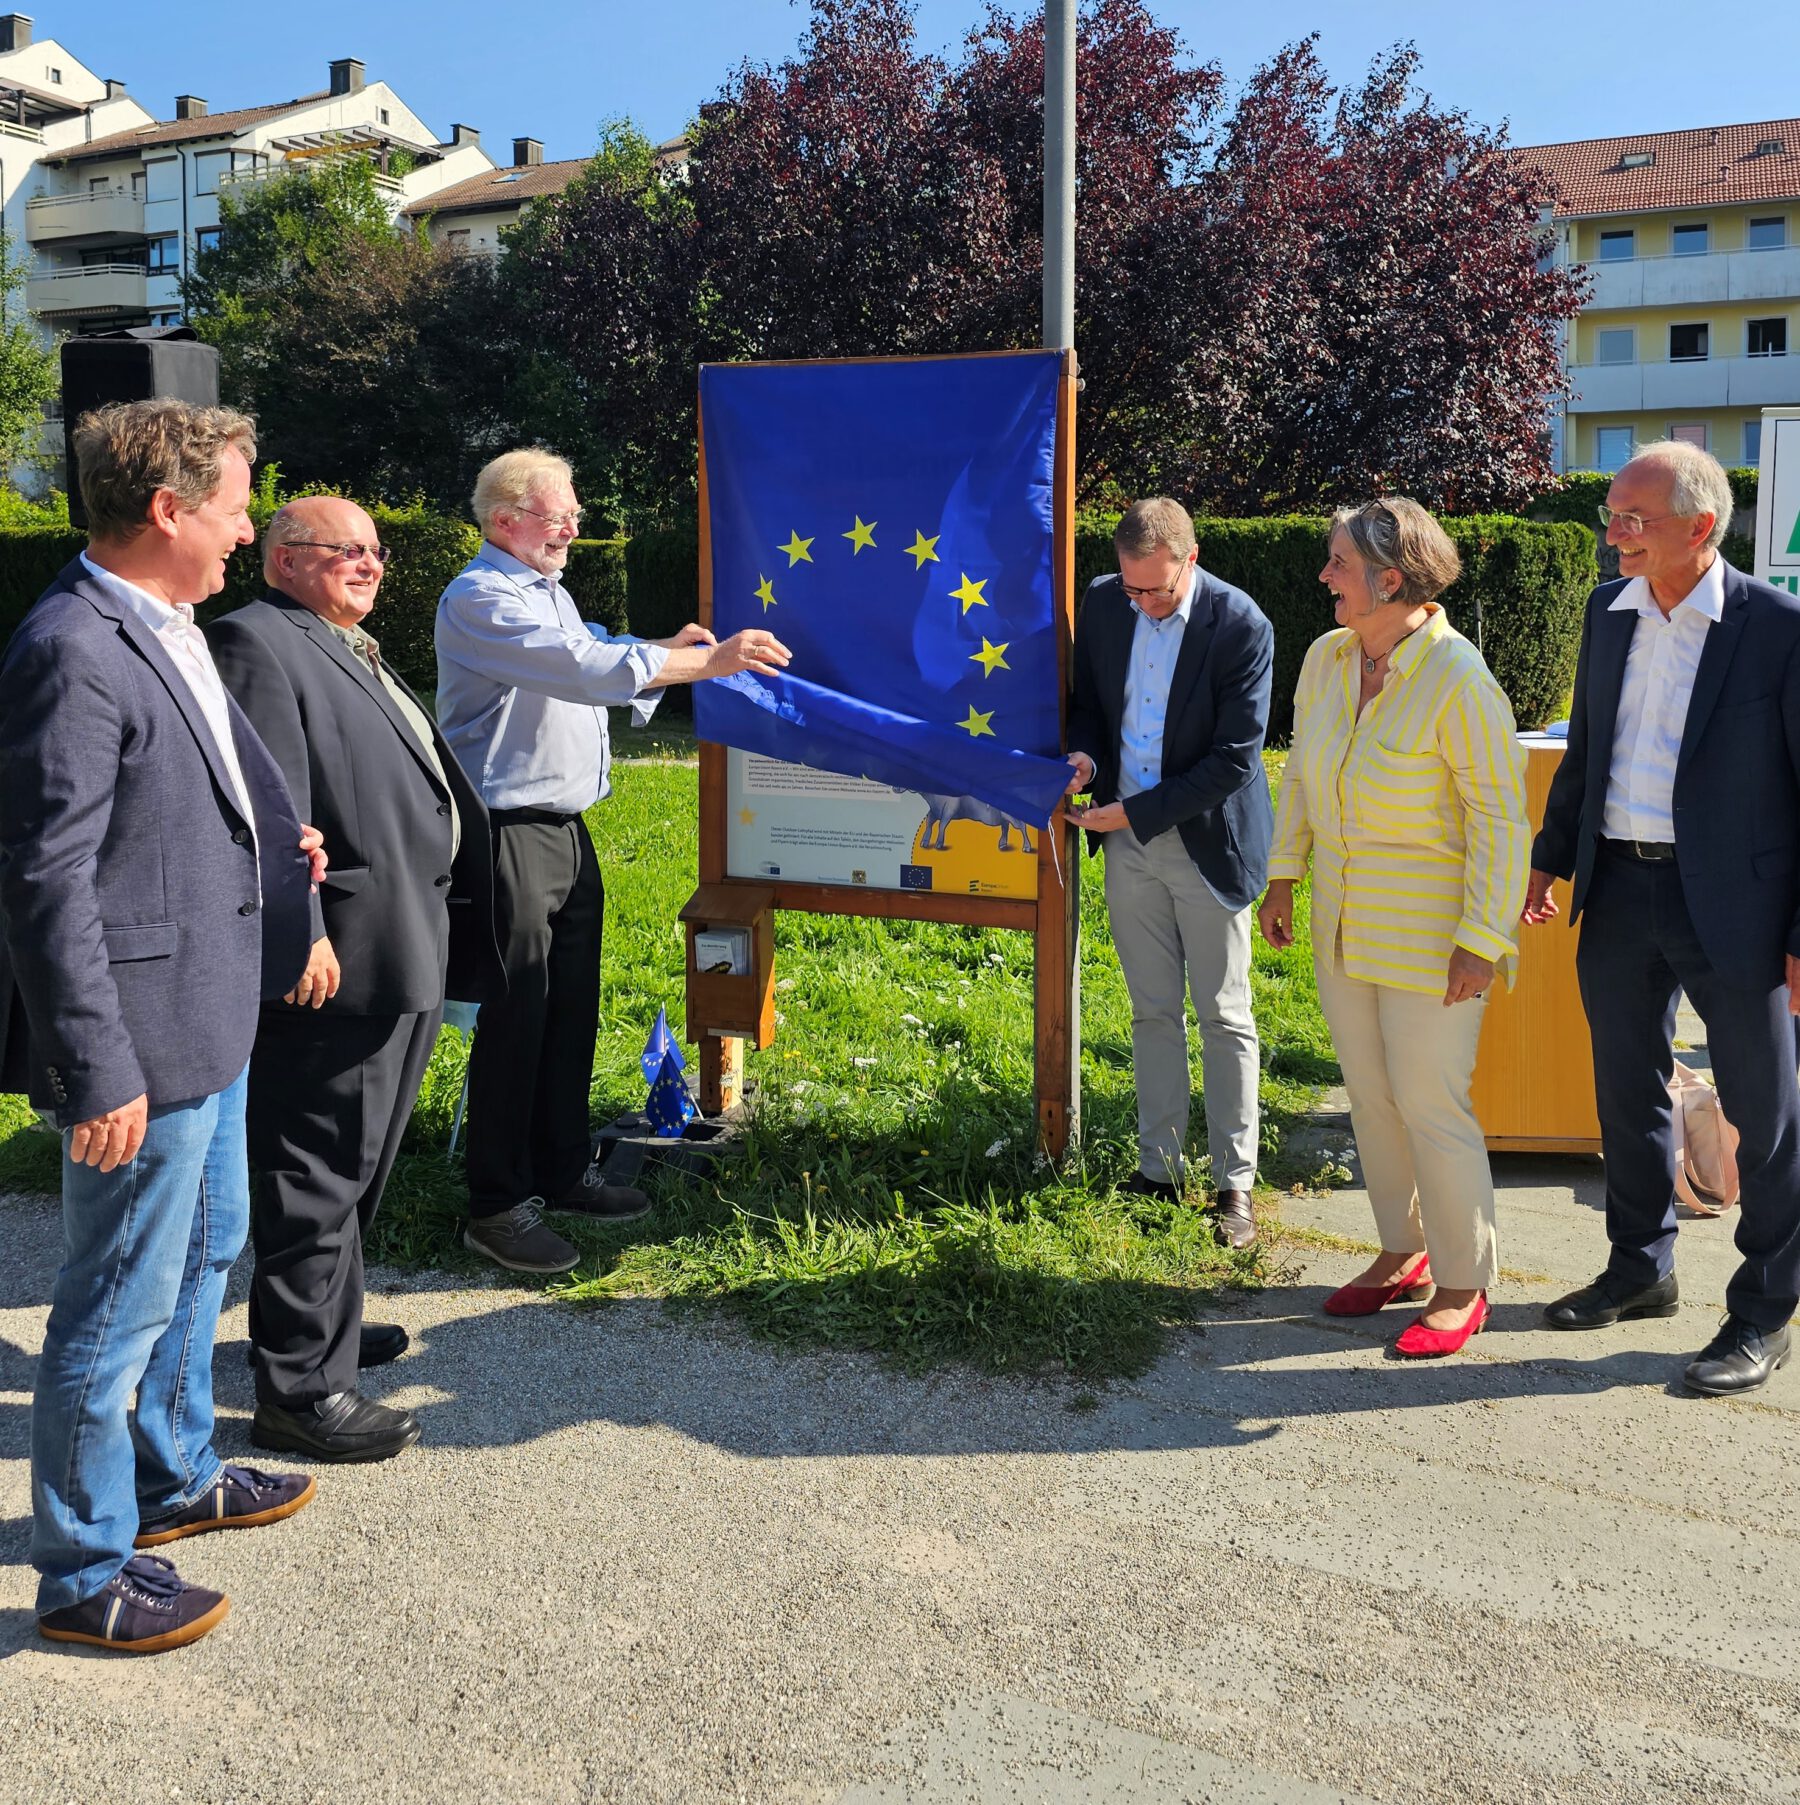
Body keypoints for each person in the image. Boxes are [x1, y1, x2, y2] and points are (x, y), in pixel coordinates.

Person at [0, 400, 319, 1653]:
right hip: (140, 1040)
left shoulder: (164, 624)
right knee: (116, 1301)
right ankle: (82, 1569)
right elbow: (46, 877)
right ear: (168, 507)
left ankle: (174, 1471)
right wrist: (93, 1067)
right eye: (235, 507)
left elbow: (192, 799)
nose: (247, 529)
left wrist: (272, 852)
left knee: (203, 1250)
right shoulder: (72, 647)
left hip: (208, 1012)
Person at [436, 448, 791, 1275]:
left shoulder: (545, 591)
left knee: (571, 1010)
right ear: (505, 520)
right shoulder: (480, 596)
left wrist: (663, 647)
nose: (572, 527)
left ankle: (561, 1171)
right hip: (507, 832)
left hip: (564, 830)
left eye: (574, 513)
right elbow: (580, 666)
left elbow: (595, 646)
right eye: (558, 514)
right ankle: (497, 1204)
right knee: (517, 1019)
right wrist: (709, 661)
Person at [206, 497, 505, 1462]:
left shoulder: (344, 642)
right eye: (347, 549)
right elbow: (269, 814)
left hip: (402, 941)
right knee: (317, 1164)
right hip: (340, 955)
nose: (371, 564)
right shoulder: (256, 642)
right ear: (285, 559)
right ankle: (300, 1391)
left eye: (376, 550)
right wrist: (303, 935)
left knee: (360, 1159)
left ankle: (322, 1324)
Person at [1524, 441, 1800, 1396]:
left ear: (1702, 526)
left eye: (1634, 518)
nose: (1615, 533)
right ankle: (1641, 1266)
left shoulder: (1778, 629)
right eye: (1612, 513)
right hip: (1619, 887)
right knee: (1625, 1088)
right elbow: (1587, 747)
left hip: (1737, 906)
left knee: (1764, 1111)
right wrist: (1553, 855)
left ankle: (1764, 1310)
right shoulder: (1608, 613)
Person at [1259, 499, 1527, 1358]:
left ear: (1390, 579)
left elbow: (1499, 819)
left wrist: (1483, 938)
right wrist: (1283, 873)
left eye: (1339, 562)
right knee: (1371, 1099)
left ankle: (1464, 1281)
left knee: (1430, 1103)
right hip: (1343, 924)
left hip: (1432, 938)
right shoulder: (1327, 657)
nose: (1324, 575)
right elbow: (1303, 776)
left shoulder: (1458, 677)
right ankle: (1401, 1249)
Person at [1065, 497, 1274, 1249]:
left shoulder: (1241, 624)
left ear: (1191, 559)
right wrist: (1086, 758)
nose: (1143, 603)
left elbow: (1235, 760)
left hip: (1208, 844)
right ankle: (1159, 1169)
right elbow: (1090, 704)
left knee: (1224, 1014)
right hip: (1128, 843)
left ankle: (1234, 1185)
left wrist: (1133, 812)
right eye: (1132, 587)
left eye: (1156, 589)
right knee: (1152, 1009)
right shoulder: (1104, 601)